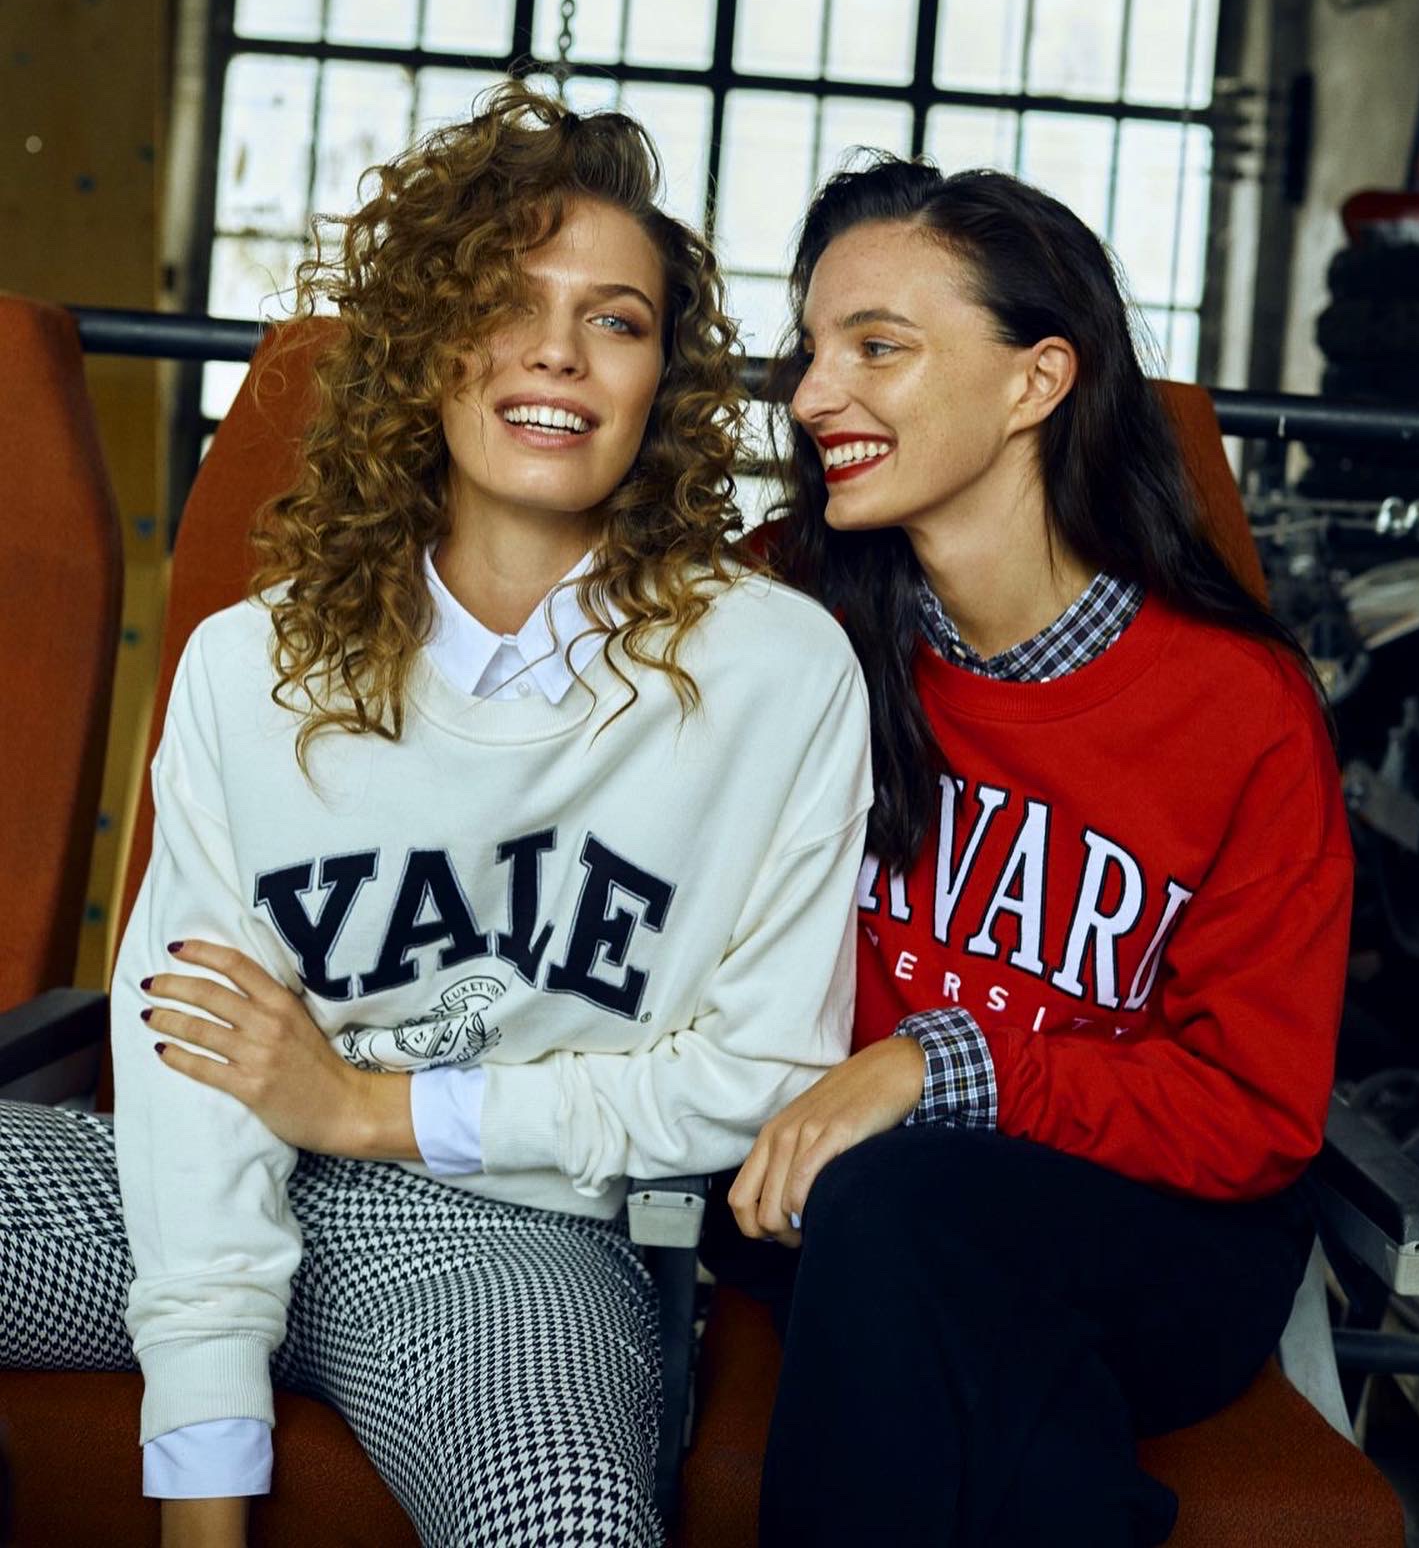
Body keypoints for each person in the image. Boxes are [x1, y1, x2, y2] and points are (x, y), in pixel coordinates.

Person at [0, 85, 870, 1548]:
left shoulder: (776, 671)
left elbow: (758, 1073)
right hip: (194, 1195)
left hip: (517, 1241)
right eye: (507, 300)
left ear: (663, 385)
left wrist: (374, 1109)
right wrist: (202, 1487)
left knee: (567, 1525)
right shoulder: (251, 667)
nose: (557, 350)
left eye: (616, 320)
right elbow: (196, 1074)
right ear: (425, 345)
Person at [726, 160, 1351, 1547]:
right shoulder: (782, 618)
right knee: (973, 1347)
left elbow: (1254, 1115)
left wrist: (944, 1063)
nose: (813, 394)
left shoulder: (1238, 707)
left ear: (1037, 380)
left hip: (1159, 1236)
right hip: (830, 1203)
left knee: (900, 1209)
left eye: (876, 347)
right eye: (811, 349)